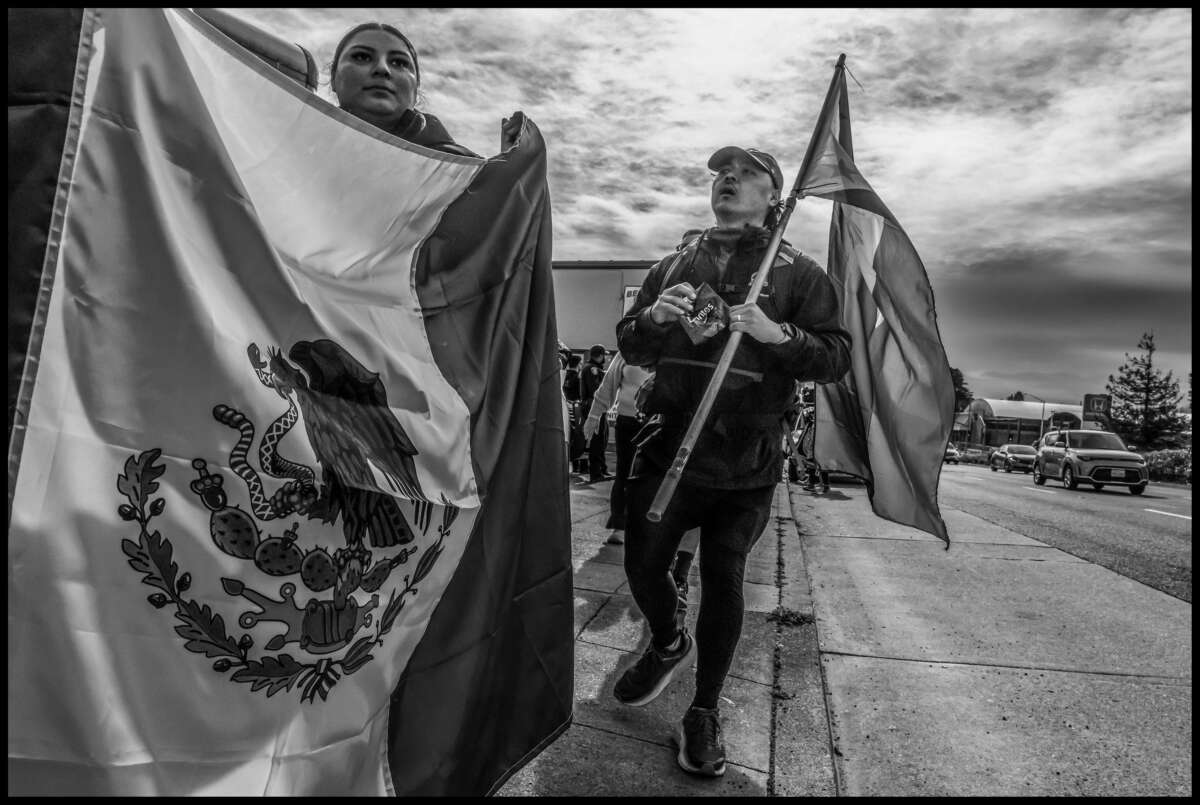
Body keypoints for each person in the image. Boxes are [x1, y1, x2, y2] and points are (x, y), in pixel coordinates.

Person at [613, 145, 852, 777]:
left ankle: (704, 711)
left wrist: (780, 336)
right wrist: (651, 321)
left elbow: (835, 356)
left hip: (746, 455)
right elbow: (630, 341)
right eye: (723, 171)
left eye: (747, 174)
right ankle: (667, 641)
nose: (728, 179)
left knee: (724, 576)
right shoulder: (675, 262)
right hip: (667, 443)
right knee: (642, 563)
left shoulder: (799, 273)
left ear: (775, 195)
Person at [329, 21, 521, 157]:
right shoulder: (300, 148)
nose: (383, 69)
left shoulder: (464, 175)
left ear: (416, 89)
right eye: (362, 57)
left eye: (399, 62)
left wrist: (512, 178)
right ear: (333, 79)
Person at [582, 352, 652, 545]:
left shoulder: (674, 342)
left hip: (661, 422)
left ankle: (648, 526)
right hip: (628, 421)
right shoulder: (628, 350)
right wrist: (594, 414)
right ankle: (620, 525)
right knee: (624, 473)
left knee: (654, 477)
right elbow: (608, 385)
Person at [579, 344, 611, 482]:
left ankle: (602, 469)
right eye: (604, 355)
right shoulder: (592, 369)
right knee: (597, 441)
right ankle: (596, 473)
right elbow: (596, 390)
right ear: (600, 355)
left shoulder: (589, 368)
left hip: (594, 406)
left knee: (602, 438)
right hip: (594, 407)